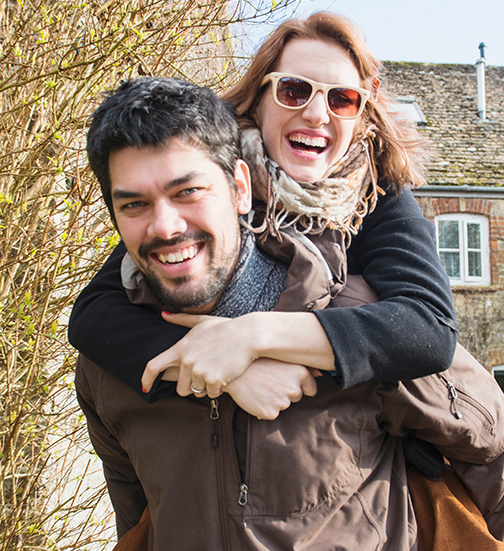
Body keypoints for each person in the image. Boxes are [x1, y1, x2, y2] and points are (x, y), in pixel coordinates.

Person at [75, 76, 504, 550]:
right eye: (135, 204)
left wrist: (261, 338)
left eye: (188, 192)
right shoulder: (110, 365)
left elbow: (490, 444)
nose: (165, 226)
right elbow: (138, 516)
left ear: (241, 189)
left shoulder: (366, 321)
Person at [69, 12, 455, 413]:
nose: (317, 114)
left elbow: (428, 328)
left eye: (342, 98)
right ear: (259, 97)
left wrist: (252, 337)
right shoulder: (208, 179)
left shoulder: (379, 193)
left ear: (362, 110)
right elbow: (94, 315)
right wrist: (225, 369)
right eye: (293, 90)